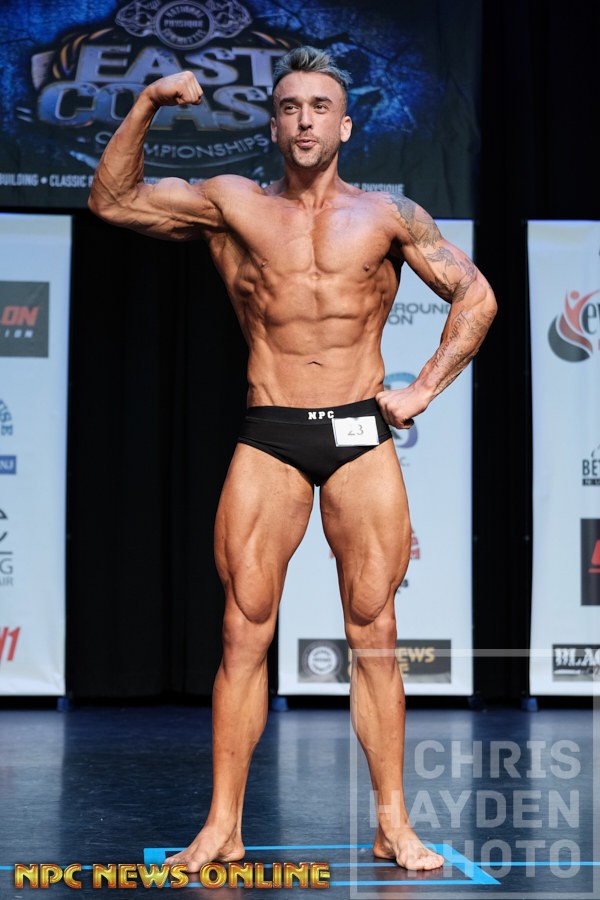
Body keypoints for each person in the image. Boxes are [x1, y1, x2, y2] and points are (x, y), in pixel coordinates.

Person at [88, 45, 497, 872]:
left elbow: (476, 295)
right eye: (289, 107)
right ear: (273, 125)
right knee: (243, 630)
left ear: (344, 126)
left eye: (320, 107)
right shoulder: (231, 203)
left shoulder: (388, 215)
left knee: (375, 630)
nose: (304, 120)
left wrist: (422, 387)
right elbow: (113, 199)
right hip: (270, 432)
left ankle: (394, 823)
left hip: (357, 435)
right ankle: (223, 826)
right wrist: (150, 101)